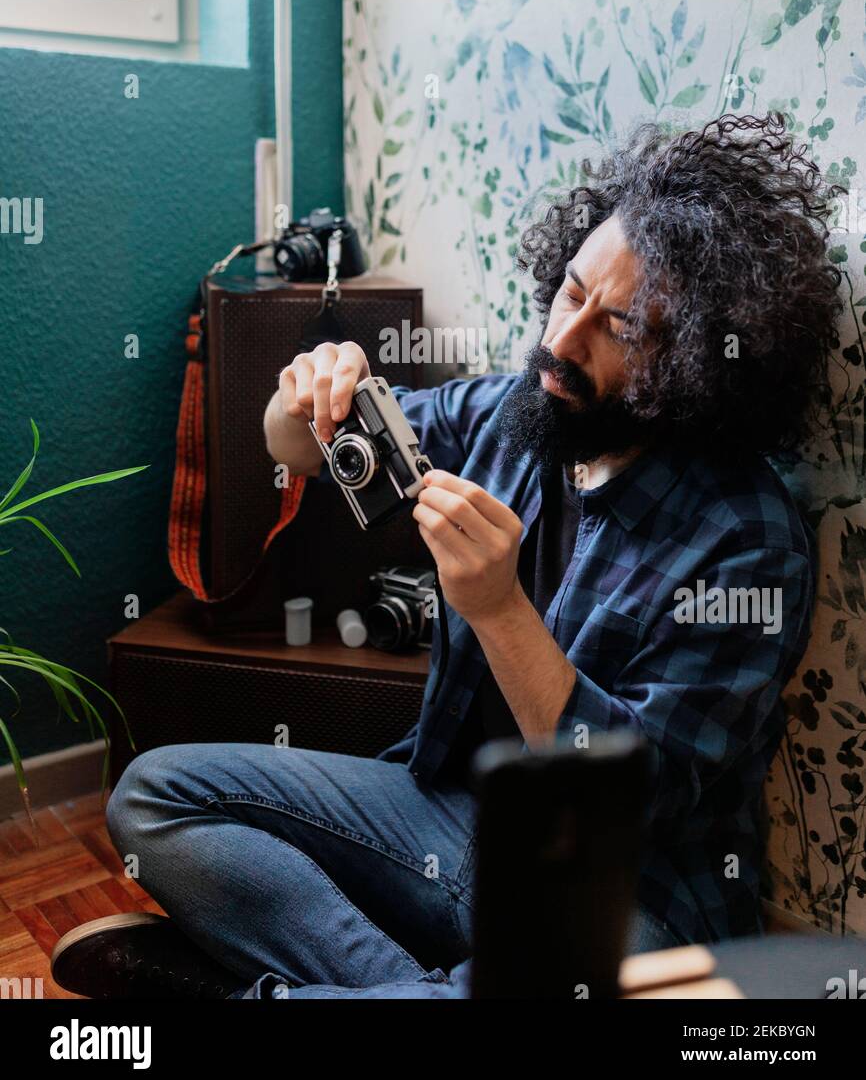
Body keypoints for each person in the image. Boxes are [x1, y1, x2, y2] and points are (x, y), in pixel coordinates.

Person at [51, 113, 842, 1000]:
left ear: (696, 364)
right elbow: (303, 449)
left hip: (622, 895)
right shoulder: (519, 410)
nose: (563, 338)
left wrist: (499, 609)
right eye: (570, 291)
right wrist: (306, 388)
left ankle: (251, 987)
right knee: (152, 796)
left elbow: (633, 802)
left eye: (617, 328)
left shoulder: (746, 536)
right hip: (438, 815)